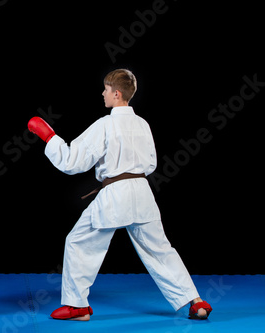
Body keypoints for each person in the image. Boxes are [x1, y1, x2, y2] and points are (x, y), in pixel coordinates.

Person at [27, 69, 212, 321]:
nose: (102, 93)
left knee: (78, 243)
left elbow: (72, 161)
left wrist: (49, 138)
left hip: (115, 195)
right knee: (161, 250)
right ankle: (196, 302)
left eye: (105, 89)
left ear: (116, 93)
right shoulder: (142, 124)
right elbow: (150, 164)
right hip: (142, 194)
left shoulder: (106, 124)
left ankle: (77, 306)